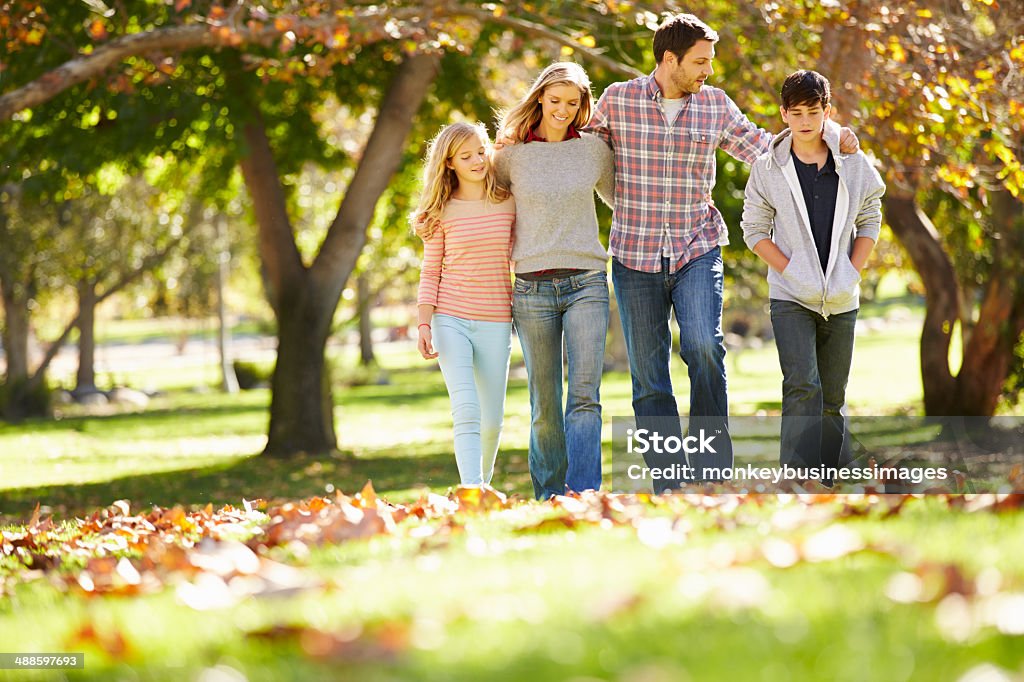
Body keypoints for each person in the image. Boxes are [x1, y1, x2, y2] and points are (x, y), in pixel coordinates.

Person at [586, 13, 859, 489]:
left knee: (703, 347)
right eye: (700, 61)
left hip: (697, 245)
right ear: (669, 60)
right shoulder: (618, 100)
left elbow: (765, 148)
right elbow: (582, 156)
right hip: (633, 255)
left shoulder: (713, 105)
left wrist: (832, 136)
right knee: (649, 375)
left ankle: (710, 475)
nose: (708, 70)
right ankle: (669, 483)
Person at [741, 70, 885, 484]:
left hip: (842, 296)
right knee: (803, 385)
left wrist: (851, 270)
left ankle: (832, 479)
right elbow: (754, 231)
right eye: (796, 112)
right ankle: (797, 479)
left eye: (814, 111)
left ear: (827, 111)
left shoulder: (852, 161)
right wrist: (792, 271)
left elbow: (870, 216)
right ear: (783, 113)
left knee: (832, 397)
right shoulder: (767, 168)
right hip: (790, 297)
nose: (805, 121)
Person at [493, 62, 615, 500]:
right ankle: (548, 496)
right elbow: (488, 207)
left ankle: (584, 494)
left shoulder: (594, 150)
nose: (563, 110)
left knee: (584, 396)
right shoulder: (510, 156)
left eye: (573, 102)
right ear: (540, 97)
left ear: (584, 105)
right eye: (556, 100)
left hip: (586, 282)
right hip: (531, 289)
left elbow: (626, 199)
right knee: (544, 405)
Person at [413, 122, 516, 487]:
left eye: (480, 151)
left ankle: (481, 488)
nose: (476, 160)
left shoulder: (509, 201)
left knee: (492, 421)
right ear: (449, 163)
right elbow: (430, 270)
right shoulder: (440, 212)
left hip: (497, 320)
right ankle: (471, 491)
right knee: (467, 410)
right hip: (450, 317)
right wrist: (424, 323)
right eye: (465, 155)